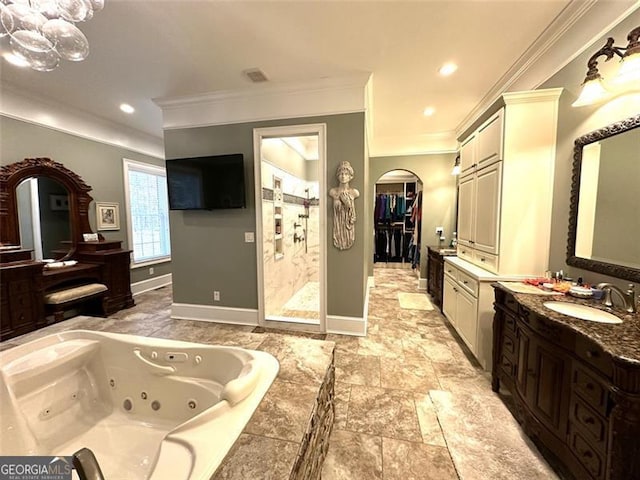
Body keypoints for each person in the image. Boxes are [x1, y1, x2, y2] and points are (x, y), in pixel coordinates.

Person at [329, 161, 360, 250]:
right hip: (338, 225)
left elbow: (351, 212)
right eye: (341, 174)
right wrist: (336, 200)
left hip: (347, 226)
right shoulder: (333, 192)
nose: (343, 176)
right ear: (338, 176)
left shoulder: (354, 193)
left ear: (350, 177)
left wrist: (348, 204)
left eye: (346, 174)